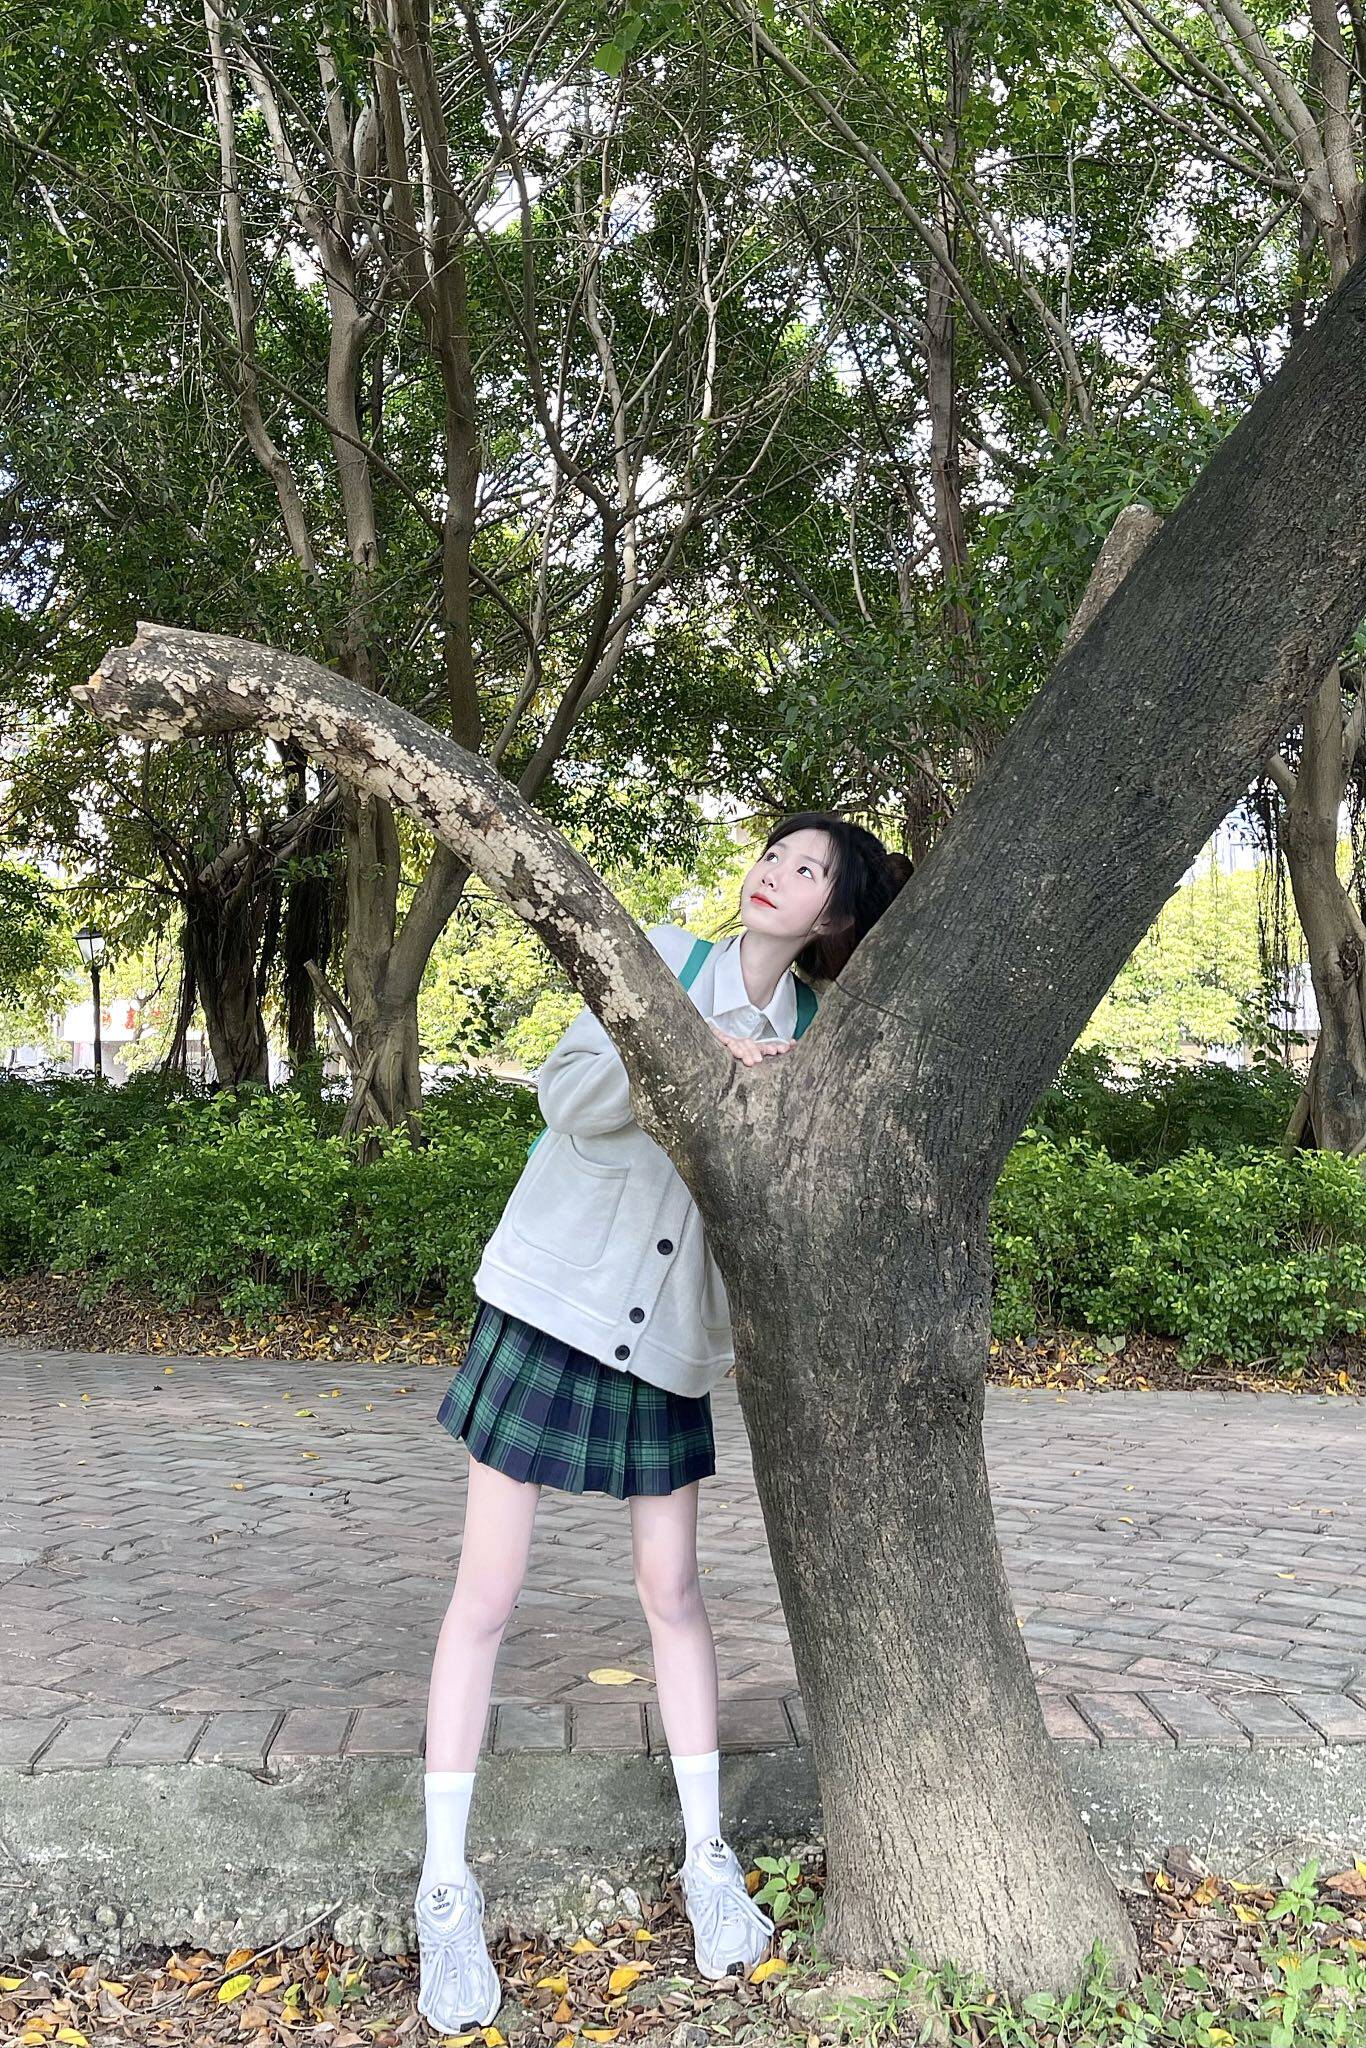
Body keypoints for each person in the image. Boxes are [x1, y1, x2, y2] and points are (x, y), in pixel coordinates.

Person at [413, 811, 912, 2032]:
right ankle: (442, 1884)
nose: (773, 873)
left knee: (675, 1592)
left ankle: (706, 1857)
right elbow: (566, 1095)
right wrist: (688, 1059)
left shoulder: (816, 1032)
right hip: (549, 1301)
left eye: (806, 869)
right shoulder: (659, 961)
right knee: (487, 1592)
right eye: (773, 853)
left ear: (835, 913)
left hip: (669, 1337)